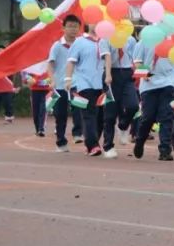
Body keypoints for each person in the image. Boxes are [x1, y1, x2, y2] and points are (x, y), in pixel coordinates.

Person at [64, 20, 112, 156]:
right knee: (89, 114)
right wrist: (68, 79)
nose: (96, 25)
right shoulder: (79, 42)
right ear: (87, 25)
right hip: (84, 83)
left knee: (102, 115)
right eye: (93, 22)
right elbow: (71, 61)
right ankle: (93, 145)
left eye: (99, 22)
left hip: (102, 84)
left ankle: (92, 141)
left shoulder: (105, 41)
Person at [132, 32, 174, 161]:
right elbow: (137, 62)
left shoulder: (172, 42)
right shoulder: (144, 42)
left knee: (166, 116)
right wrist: (145, 74)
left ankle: (165, 150)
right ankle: (140, 141)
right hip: (148, 85)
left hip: (168, 83)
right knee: (148, 117)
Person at [47, 15, 83, 151]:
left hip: (77, 84)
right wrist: (52, 80)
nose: (73, 29)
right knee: (60, 115)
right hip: (60, 85)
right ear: (63, 28)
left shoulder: (81, 44)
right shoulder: (57, 46)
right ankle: (61, 142)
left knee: (79, 109)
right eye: (70, 26)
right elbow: (50, 65)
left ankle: (78, 133)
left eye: (76, 27)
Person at [102, 29, 138, 155]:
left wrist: (142, 74)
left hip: (127, 73)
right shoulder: (105, 38)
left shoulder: (130, 39)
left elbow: (135, 58)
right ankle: (108, 146)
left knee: (133, 106)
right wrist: (107, 75)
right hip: (111, 74)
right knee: (110, 112)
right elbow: (107, 57)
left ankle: (123, 126)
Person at [22, 62, 50, 137]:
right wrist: (27, 79)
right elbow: (24, 75)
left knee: (43, 109)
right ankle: (38, 129)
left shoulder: (48, 62)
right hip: (34, 90)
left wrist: (37, 82)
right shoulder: (32, 63)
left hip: (46, 90)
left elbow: (50, 79)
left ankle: (41, 129)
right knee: (35, 111)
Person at [0, 46, 14, 123]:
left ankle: (9, 117)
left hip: (7, 86)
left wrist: (14, 86)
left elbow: (13, 73)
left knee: (8, 103)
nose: (1, 52)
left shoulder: (8, 61)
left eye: (3, 51)